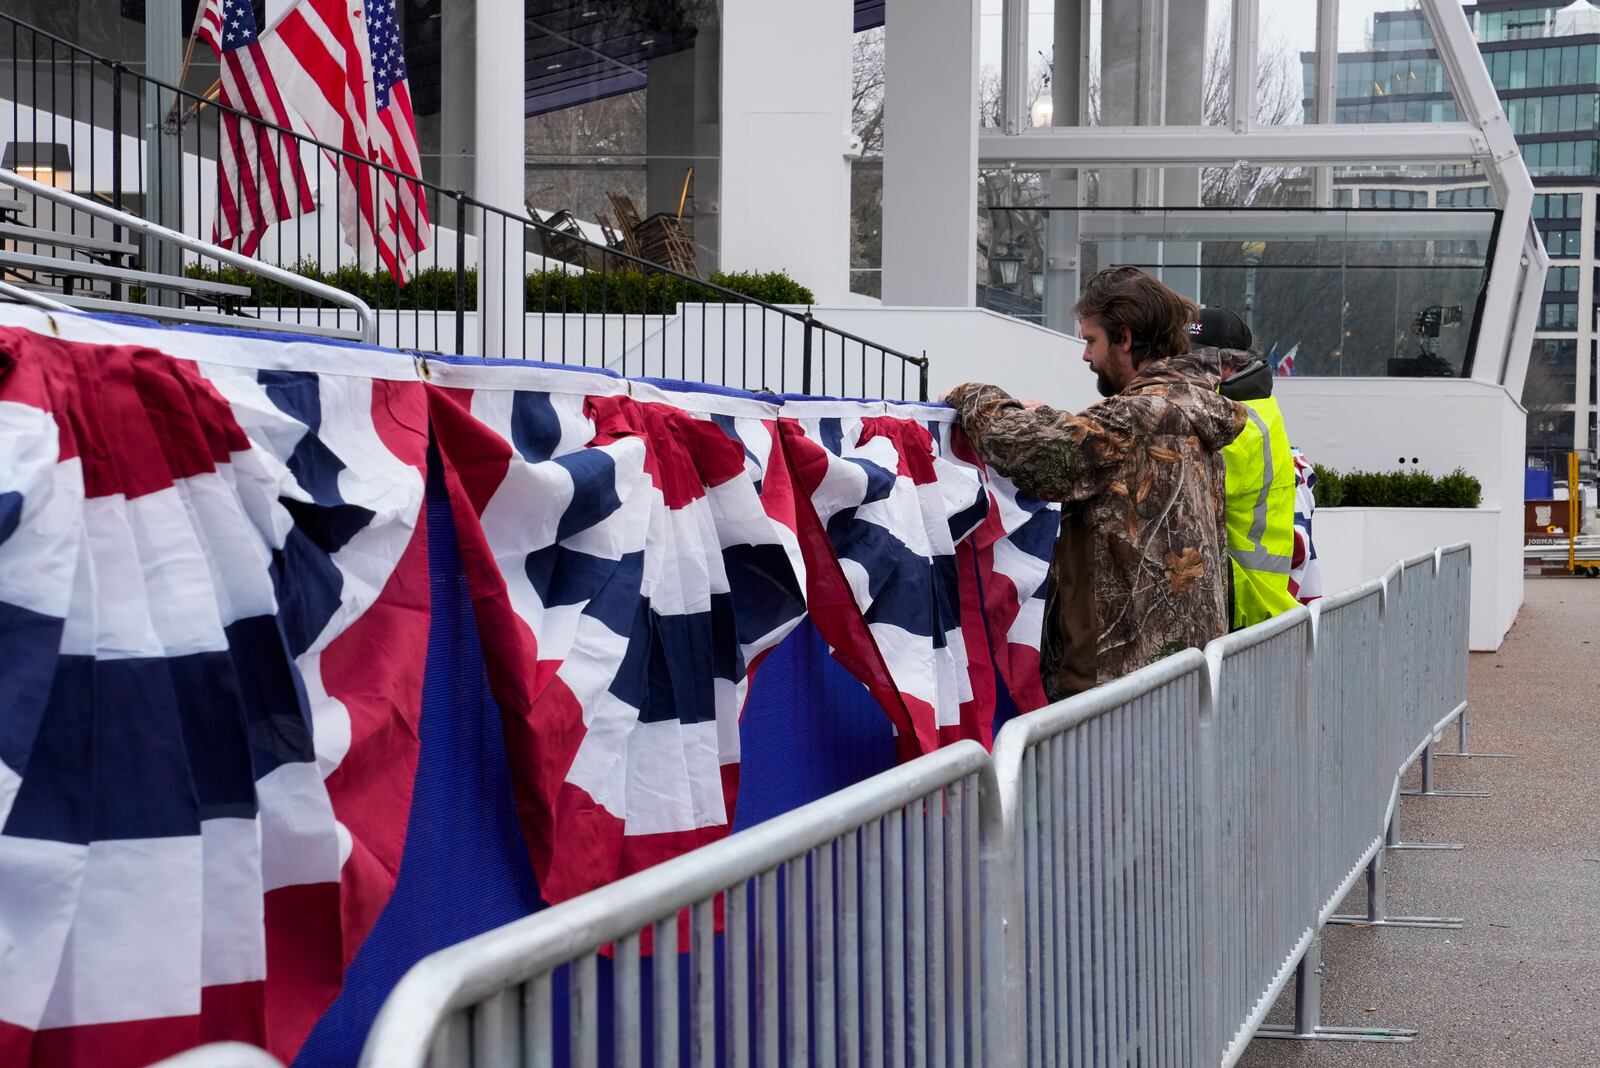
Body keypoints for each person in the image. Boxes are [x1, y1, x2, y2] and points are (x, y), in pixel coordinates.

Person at [943, 266, 1246, 700]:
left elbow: (1032, 450)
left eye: (1090, 341)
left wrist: (972, 395)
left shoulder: (1139, 417)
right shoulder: (1190, 408)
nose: (1085, 356)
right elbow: (1096, 445)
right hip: (1183, 673)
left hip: (1121, 687)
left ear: (1125, 337)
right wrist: (1049, 418)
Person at [1187, 308, 1300, 630]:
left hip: (1244, 604)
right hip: (1253, 603)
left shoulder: (1239, 425)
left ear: (1228, 365)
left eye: (1194, 361)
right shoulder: (1253, 410)